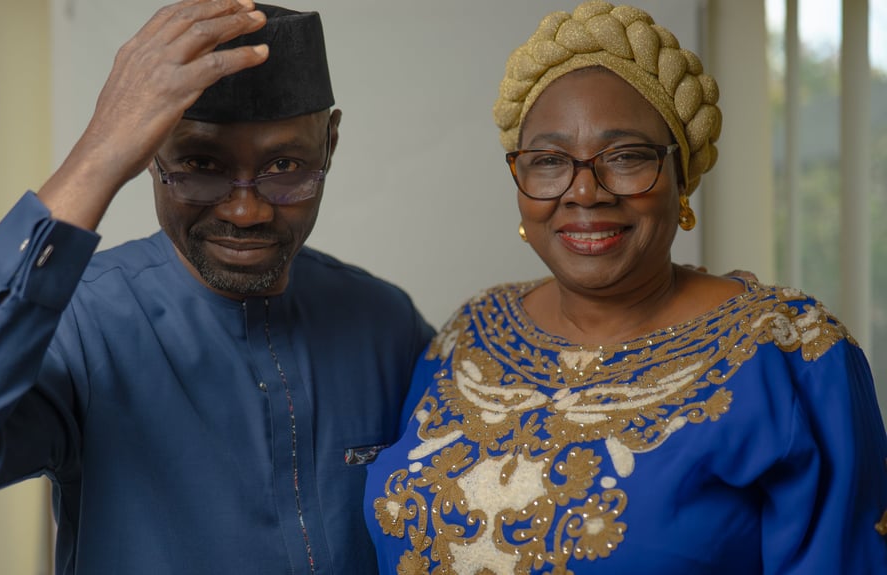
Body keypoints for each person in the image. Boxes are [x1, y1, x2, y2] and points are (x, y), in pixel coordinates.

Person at [0, 2, 434, 573]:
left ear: (330, 144)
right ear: (149, 156)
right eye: (199, 164)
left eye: (284, 166)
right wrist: (98, 151)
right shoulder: (81, 327)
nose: (244, 209)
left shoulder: (385, 323)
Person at [364, 1, 887, 573]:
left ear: (681, 179)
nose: (585, 192)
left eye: (627, 157)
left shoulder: (790, 351)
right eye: (548, 161)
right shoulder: (468, 335)